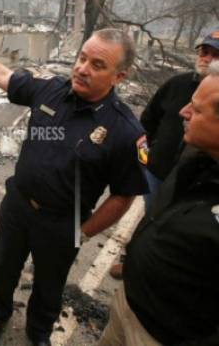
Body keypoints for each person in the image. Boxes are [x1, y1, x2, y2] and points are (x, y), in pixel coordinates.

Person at [0, 28, 149, 346]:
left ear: (119, 77)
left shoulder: (124, 130)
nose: (82, 68)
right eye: (82, 58)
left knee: (49, 286)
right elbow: (4, 75)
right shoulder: (51, 91)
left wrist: (82, 232)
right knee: (2, 268)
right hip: (17, 207)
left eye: (97, 65)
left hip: (61, 223)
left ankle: (38, 332)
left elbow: (124, 195)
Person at [98, 61, 219, 346]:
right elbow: (146, 127)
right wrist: (143, 163)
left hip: (162, 335)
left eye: (197, 110)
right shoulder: (195, 159)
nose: (183, 113)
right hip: (127, 306)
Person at [109, 28, 219, 279]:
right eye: (204, 51)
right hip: (157, 174)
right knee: (153, 215)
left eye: (216, 54)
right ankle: (133, 261)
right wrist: (144, 160)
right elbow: (146, 123)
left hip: (195, 185)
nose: (207, 58)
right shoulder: (177, 85)